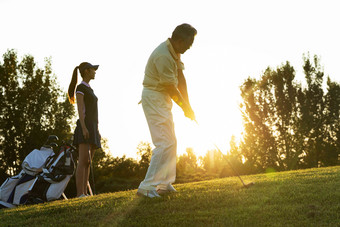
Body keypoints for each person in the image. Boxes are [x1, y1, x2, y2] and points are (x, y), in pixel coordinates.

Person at [137, 23, 197, 198]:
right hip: (154, 96)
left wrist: (189, 105)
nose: (189, 47)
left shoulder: (175, 51)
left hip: (162, 97)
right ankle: (147, 186)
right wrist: (185, 108)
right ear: (178, 40)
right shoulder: (163, 55)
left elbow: (180, 78)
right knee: (163, 142)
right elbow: (172, 88)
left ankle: (164, 183)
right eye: (188, 43)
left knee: (171, 140)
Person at [68, 62, 101, 198]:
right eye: (93, 69)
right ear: (86, 71)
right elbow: (81, 110)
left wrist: (97, 130)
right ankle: (80, 193)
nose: (95, 72)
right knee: (82, 161)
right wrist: (83, 127)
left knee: (88, 162)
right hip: (85, 126)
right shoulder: (80, 87)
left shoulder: (89, 88)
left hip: (93, 127)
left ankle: (85, 193)